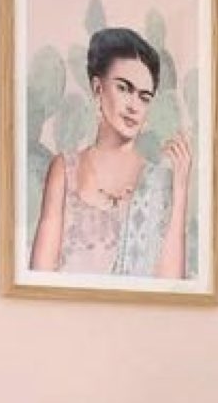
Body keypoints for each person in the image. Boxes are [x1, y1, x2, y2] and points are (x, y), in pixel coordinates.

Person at [29, 26, 193, 277]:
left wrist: (180, 192)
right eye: (124, 88)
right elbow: (40, 277)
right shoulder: (65, 169)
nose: (134, 106)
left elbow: (171, 285)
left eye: (144, 97)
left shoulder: (159, 180)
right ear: (98, 88)